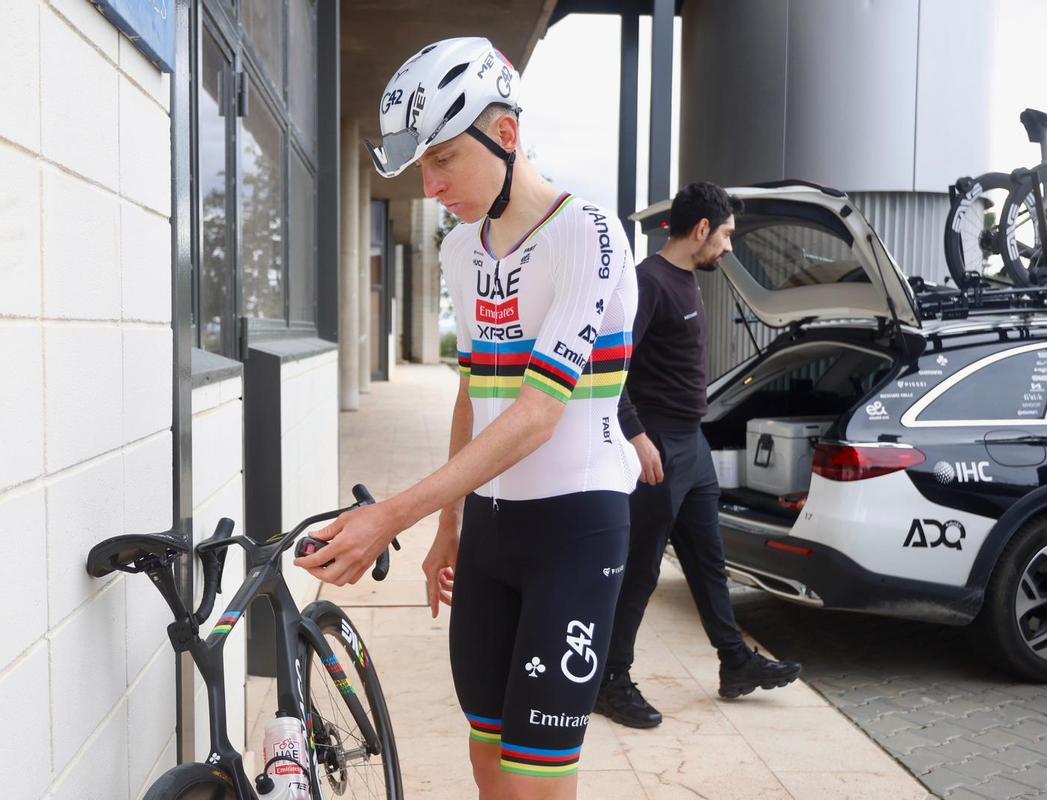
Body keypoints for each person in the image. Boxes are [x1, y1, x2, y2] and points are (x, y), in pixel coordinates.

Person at [296, 37, 640, 800]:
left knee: (534, 777)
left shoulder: (589, 232)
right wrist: (449, 526)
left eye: (444, 158)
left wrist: (393, 515)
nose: (431, 183)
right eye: (424, 165)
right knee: (488, 764)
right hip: (488, 535)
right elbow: (474, 394)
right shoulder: (461, 248)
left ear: (506, 135)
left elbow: (535, 417)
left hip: (577, 531)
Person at [593, 182, 803, 729]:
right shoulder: (648, 282)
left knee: (709, 563)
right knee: (639, 572)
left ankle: (734, 662)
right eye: (728, 235)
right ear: (703, 229)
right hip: (658, 446)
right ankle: (610, 681)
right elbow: (607, 363)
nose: (730, 248)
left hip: (693, 443)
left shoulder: (687, 281)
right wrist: (636, 436)